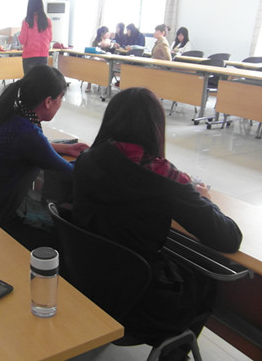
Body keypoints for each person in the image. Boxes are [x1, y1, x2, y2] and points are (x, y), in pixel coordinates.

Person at [72, 87, 242, 360]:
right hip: (139, 305)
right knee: (206, 281)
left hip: (85, 283)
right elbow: (228, 237)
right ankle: (174, 353)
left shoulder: (86, 159)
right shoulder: (166, 178)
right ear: (156, 128)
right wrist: (204, 199)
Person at [0, 65, 88, 250]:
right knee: (69, 230)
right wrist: (93, 159)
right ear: (48, 101)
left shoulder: (11, 115)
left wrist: (64, 148)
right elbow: (70, 171)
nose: (61, 104)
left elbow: (30, 146)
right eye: (61, 98)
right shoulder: (28, 133)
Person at [18, 0, 52, 74]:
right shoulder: (47, 21)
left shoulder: (27, 21)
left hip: (29, 56)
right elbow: (50, 39)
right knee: (41, 80)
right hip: (43, 56)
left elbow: (22, 40)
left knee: (30, 80)